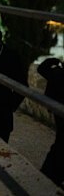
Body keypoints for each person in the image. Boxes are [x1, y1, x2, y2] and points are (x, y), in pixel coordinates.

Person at [37, 57, 64, 186]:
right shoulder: (58, 73)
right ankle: (52, 176)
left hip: (58, 111)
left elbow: (41, 68)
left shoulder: (58, 72)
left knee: (60, 143)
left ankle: (50, 175)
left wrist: (53, 60)